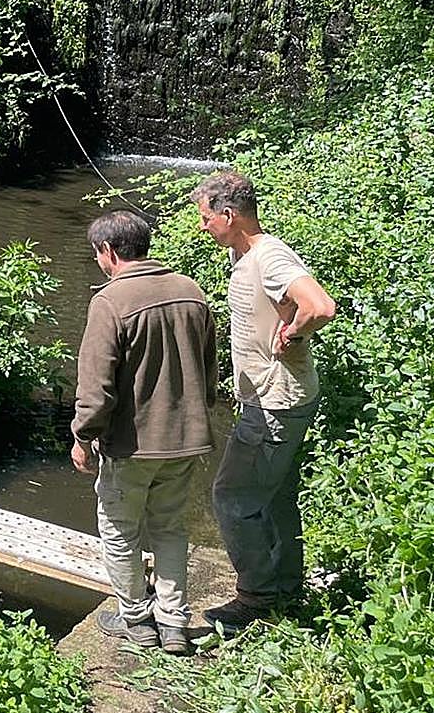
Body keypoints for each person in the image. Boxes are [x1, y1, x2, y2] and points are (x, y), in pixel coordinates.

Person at [191, 172, 336, 632]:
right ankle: (287, 586)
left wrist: (294, 332)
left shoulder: (269, 256)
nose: (202, 226)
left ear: (229, 216)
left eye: (206, 217)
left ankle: (256, 598)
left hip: (275, 402)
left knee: (231, 496)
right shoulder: (245, 252)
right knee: (275, 496)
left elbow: (321, 305)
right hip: (279, 397)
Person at [71, 211, 218, 654]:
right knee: (170, 526)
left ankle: (135, 619)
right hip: (186, 438)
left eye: (97, 254)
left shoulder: (110, 302)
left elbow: (95, 386)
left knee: (120, 530)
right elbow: (209, 370)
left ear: (109, 252)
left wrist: (82, 436)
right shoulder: (191, 291)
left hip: (132, 445)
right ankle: (174, 623)